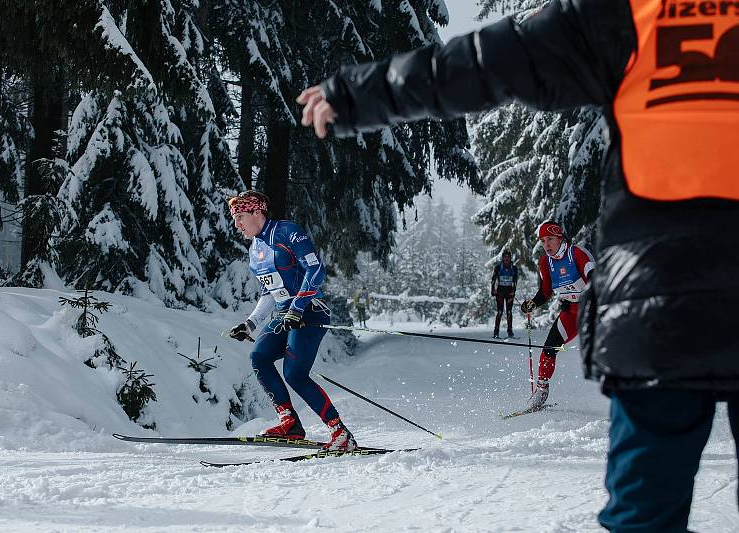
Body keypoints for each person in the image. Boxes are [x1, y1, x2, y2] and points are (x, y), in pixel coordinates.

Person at [296, 1, 739, 529]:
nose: (549, 240)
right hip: (648, 305)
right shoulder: (547, 258)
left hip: (654, 306)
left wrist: (356, 94)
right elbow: (545, 282)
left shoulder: (631, 12)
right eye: (545, 237)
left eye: (551, 235)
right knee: (553, 346)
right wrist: (535, 297)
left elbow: (484, 61)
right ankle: (542, 390)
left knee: (645, 513)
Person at [226, 191, 357, 451]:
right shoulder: (255, 250)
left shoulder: (287, 231)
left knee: (295, 374)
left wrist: (297, 306)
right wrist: (250, 324)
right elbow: (269, 293)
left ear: (257, 212)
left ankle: (340, 434)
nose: (237, 224)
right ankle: (290, 424)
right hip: (285, 313)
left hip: (309, 310)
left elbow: (315, 269)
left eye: (240, 217)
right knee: (259, 357)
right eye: (235, 219)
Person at [519, 222, 595, 409]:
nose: (546, 245)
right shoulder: (546, 262)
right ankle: (541, 391)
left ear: (561, 238)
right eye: (543, 241)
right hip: (570, 313)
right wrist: (533, 303)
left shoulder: (577, 254)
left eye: (550, 239)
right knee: (548, 349)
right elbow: (545, 291)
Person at [490, 251, 517, 339]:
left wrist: (513, 292)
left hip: (509, 292)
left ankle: (510, 332)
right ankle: (496, 332)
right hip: (500, 292)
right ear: (502, 258)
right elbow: (493, 280)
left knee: (509, 312)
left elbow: (515, 281)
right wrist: (492, 290)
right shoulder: (498, 268)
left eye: (508, 257)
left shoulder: (514, 268)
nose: (506, 259)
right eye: (505, 257)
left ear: (510, 258)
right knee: (500, 312)